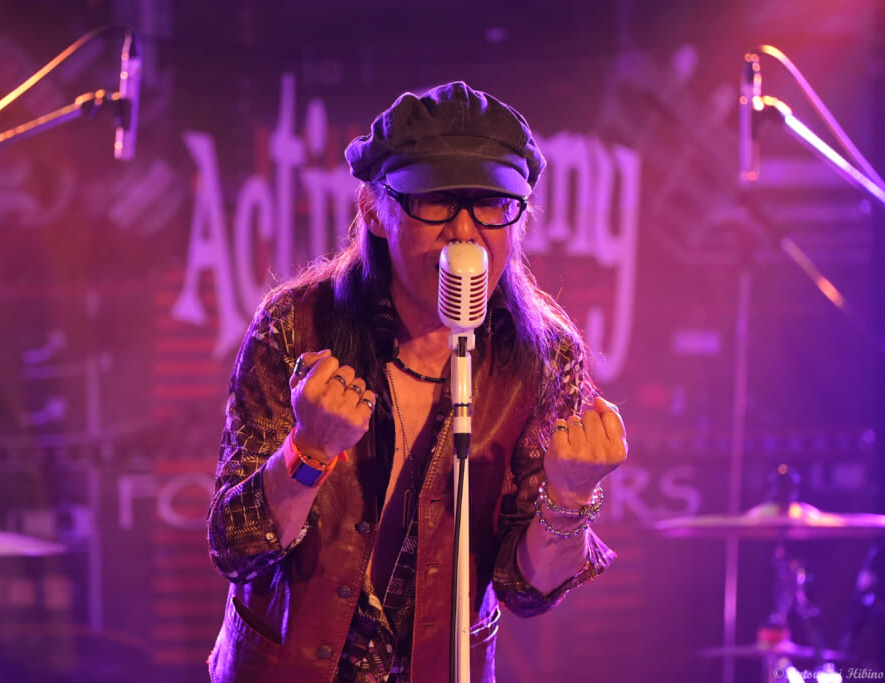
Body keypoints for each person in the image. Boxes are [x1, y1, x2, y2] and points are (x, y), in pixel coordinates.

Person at [206, 81, 627, 682]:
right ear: (373, 211)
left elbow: (528, 591)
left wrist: (570, 498)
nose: (464, 232)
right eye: (434, 202)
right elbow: (235, 547)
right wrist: (308, 451)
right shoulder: (297, 323)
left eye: (491, 205)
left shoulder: (544, 354)